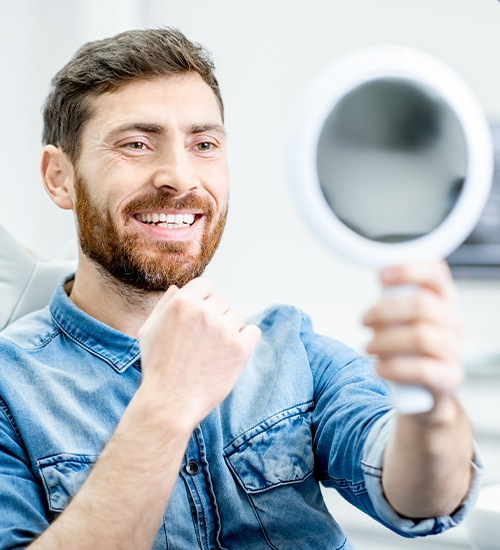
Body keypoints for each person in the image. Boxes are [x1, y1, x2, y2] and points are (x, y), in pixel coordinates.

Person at [0, 27, 481, 549]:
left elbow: (422, 497)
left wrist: (430, 411)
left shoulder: (290, 350)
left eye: (203, 144)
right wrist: (166, 403)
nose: (180, 177)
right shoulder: (10, 390)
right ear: (59, 178)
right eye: (136, 144)